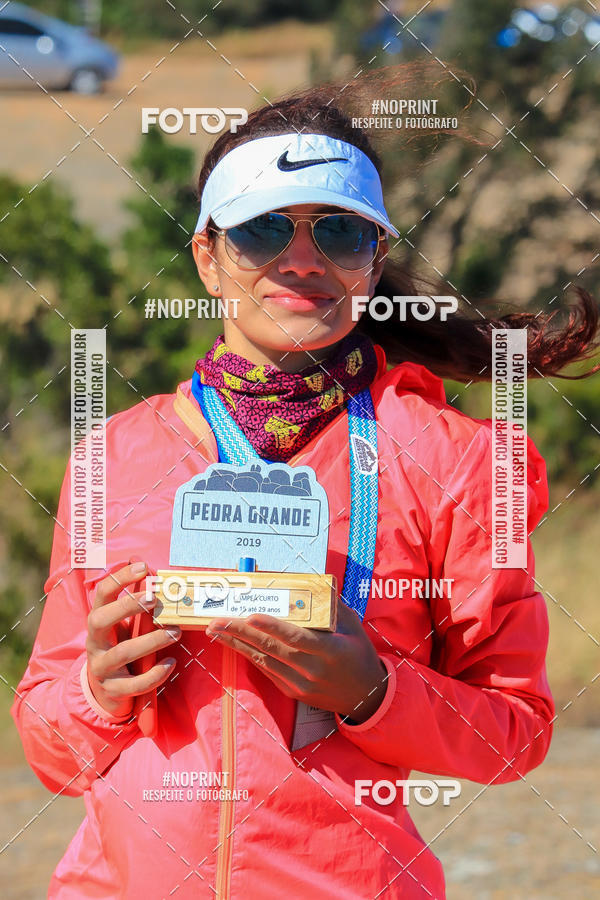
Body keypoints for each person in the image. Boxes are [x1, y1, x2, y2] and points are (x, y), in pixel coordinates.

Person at [11, 77, 599, 900]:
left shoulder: (464, 463)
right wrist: (94, 693)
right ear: (208, 260)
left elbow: (516, 734)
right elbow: (51, 753)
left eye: (339, 231)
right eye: (261, 231)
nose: (303, 259)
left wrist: (373, 692)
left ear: (375, 259)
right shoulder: (111, 455)